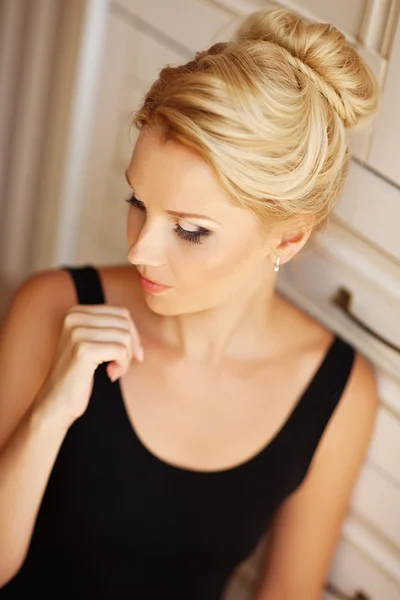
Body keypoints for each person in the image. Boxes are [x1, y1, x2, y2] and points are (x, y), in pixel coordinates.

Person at [0, 7, 380, 600]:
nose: (139, 250)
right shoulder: (52, 308)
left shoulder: (338, 392)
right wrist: (50, 413)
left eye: (190, 230)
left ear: (287, 238)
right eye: (138, 201)